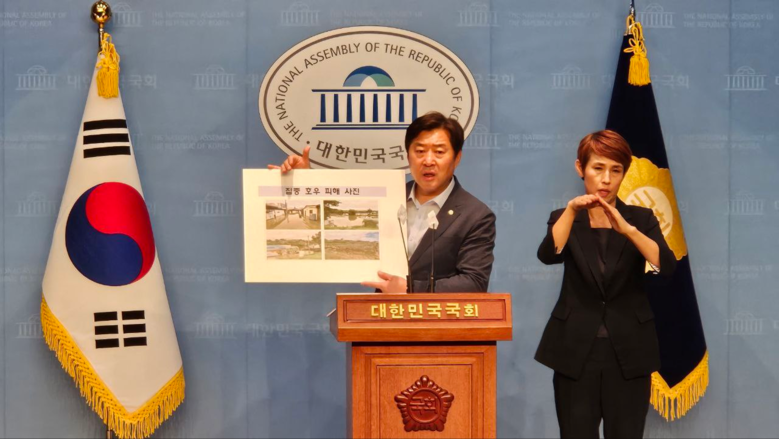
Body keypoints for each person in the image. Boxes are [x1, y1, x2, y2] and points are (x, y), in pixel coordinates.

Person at [534, 130, 676, 438]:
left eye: (616, 170)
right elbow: (548, 255)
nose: (606, 179)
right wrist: (572, 210)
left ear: (624, 173)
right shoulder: (564, 217)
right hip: (575, 350)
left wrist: (629, 231)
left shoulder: (641, 218)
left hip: (629, 350)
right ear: (580, 168)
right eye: (598, 168)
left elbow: (667, 266)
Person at [269, 111, 496, 293]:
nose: (428, 161)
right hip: (382, 320)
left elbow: (474, 282)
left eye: (439, 152)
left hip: (440, 326)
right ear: (408, 156)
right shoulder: (387, 198)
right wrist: (305, 183)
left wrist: (409, 289)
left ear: (457, 158)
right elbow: (335, 216)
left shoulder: (475, 215)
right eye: (419, 151)